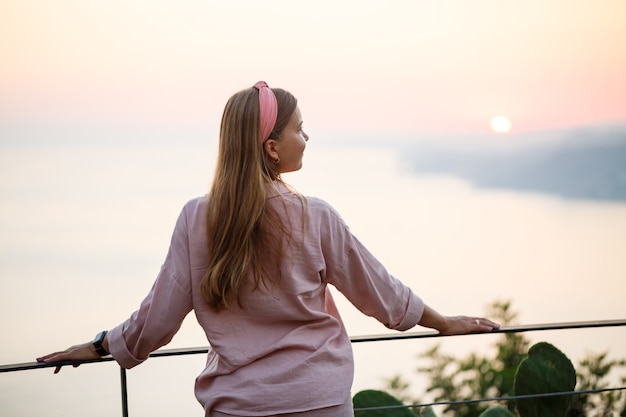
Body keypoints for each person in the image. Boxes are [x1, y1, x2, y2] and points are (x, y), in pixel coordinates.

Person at [37, 81, 500, 417]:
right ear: (272, 147)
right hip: (319, 400)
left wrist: (97, 347)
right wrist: (444, 323)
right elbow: (381, 293)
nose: (307, 137)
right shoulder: (313, 215)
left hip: (239, 408)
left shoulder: (196, 218)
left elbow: (156, 322)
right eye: (300, 129)